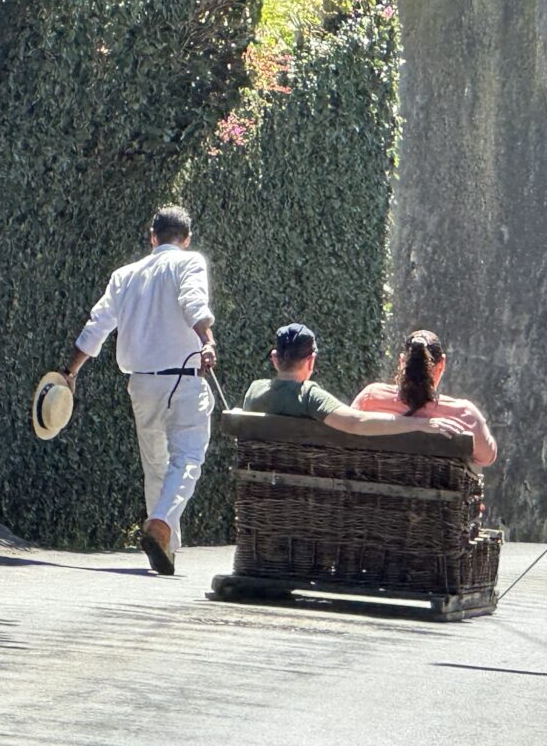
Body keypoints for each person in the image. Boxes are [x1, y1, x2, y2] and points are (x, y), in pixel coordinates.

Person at [62, 206, 216, 576]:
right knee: (188, 457)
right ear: (186, 238)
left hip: (141, 381)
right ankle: (161, 523)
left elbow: (97, 325)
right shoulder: (189, 262)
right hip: (183, 376)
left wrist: (70, 372)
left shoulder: (124, 276)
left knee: (155, 466)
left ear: (152, 237)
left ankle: (167, 547)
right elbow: (194, 301)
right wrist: (207, 341)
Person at [242, 323, 467, 439]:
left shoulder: (254, 391)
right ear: (311, 361)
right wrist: (421, 424)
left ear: (274, 358)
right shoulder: (309, 396)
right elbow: (355, 423)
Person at [351, 330, 497, 467]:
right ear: (442, 364)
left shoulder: (371, 397)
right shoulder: (466, 415)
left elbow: (344, 433)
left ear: (402, 361)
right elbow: (487, 457)